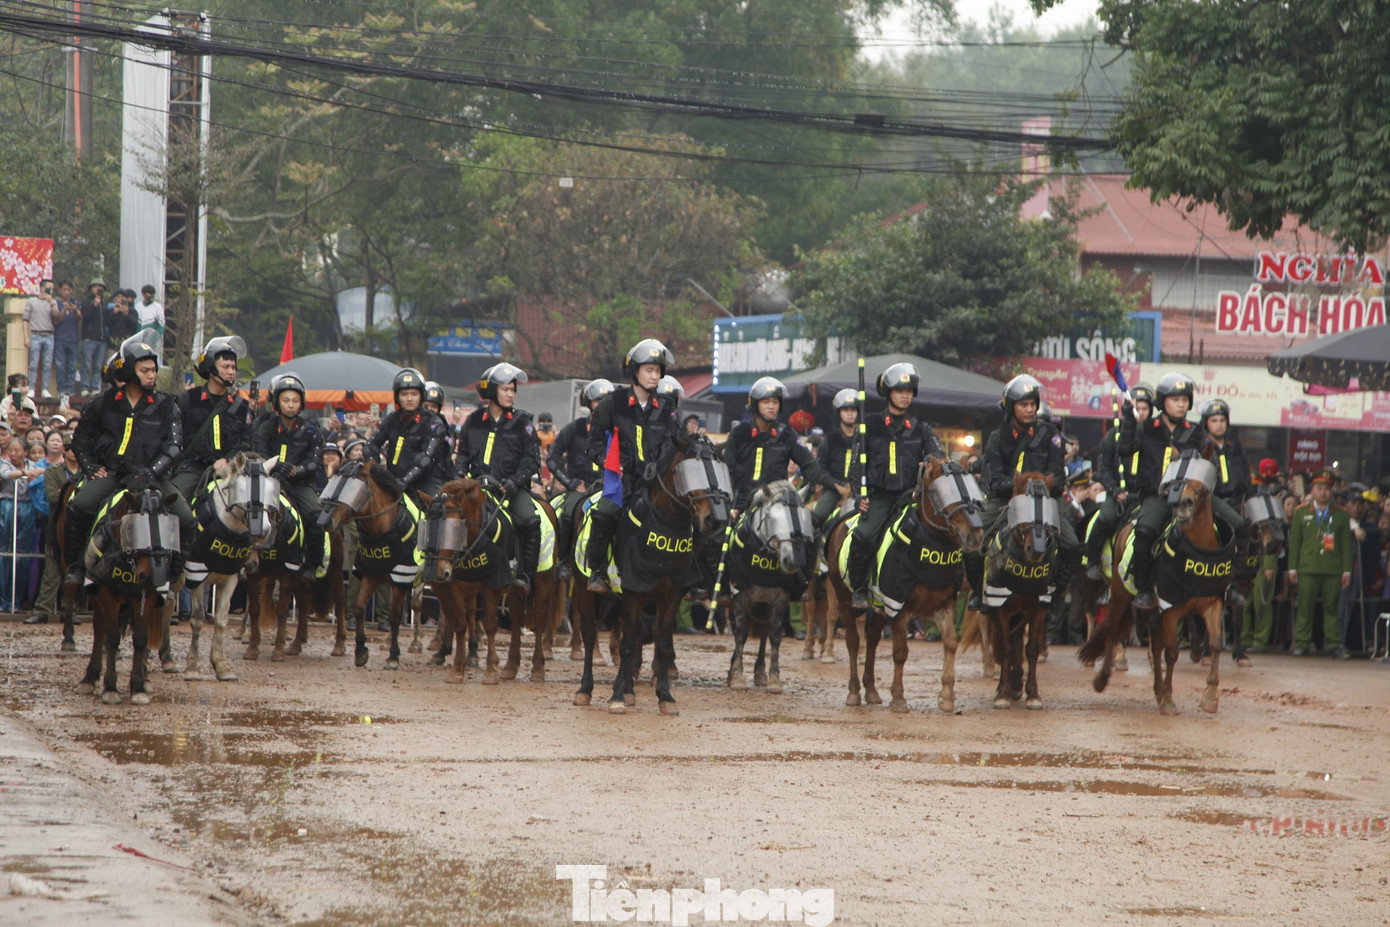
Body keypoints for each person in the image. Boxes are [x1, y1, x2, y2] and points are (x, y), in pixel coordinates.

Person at [65, 333, 195, 585]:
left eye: (154, 370)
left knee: (188, 521)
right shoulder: (102, 402)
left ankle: (174, 575)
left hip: (153, 479)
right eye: (144, 369)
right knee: (77, 507)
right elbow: (81, 440)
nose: (152, 375)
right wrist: (91, 467)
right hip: (113, 475)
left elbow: (174, 446)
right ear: (129, 371)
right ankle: (76, 567)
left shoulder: (168, 404)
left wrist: (152, 472)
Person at [1120, 372, 1247, 610]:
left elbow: (1208, 465)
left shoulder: (1197, 431)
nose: (1181, 404)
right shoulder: (1146, 428)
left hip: (1194, 499)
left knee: (1239, 525)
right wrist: (1129, 422)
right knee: (1145, 531)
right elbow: (1124, 450)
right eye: (1175, 399)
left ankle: (1232, 586)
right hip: (1158, 497)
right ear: (1162, 402)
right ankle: (1144, 589)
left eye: (1185, 399)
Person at [966, 374, 1077, 611]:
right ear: (1010, 407)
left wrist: (1040, 486)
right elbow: (995, 480)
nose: (1029, 409)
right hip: (1006, 501)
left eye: (1032, 404)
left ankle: (1056, 591)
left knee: (1072, 545)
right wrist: (1022, 486)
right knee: (974, 541)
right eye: (1023, 405)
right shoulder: (998, 437)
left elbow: (1058, 478)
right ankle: (977, 591)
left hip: (1045, 500)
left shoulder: (1051, 435)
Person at [582, 339, 678, 594]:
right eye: (649, 370)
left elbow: (673, 445)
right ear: (634, 371)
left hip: (656, 484)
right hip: (621, 483)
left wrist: (660, 468)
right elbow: (592, 444)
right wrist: (606, 463)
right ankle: (597, 570)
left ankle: (686, 577)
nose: (654, 376)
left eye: (658, 371)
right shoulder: (612, 403)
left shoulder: (668, 407)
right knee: (603, 514)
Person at [847, 362, 945, 609]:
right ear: (888, 393)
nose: (905, 395)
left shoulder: (921, 428)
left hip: (910, 498)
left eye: (909, 391)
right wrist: (860, 495)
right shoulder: (869, 425)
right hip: (879, 498)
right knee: (862, 537)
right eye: (900, 390)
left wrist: (929, 462)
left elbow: (938, 457)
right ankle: (859, 587)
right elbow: (856, 466)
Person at [454, 362, 542, 592]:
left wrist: (513, 483)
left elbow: (532, 461)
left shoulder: (523, 422)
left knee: (531, 522)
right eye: (506, 389)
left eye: (513, 390)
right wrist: (460, 477)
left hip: (511, 488)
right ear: (492, 391)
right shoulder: (472, 421)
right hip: (476, 487)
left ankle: (524, 575)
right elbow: (462, 455)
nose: (511, 394)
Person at [252, 373, 326, 575]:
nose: (291, 405)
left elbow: (316, 459)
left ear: (301, 403)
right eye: (286, 400)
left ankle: (313, 564)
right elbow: (260, 454)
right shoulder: (265, 426)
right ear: (277, 403)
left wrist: (299, 470)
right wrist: (277, 467)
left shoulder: (312, 428)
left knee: (316, 516)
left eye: (295, 401)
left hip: (301, 484)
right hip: (270, 482)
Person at [172, 336, 254, 504]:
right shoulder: (189, 399)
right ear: (210, 369)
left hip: (230, 468)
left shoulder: (241, 406)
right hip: (193, 468)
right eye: (225, 367)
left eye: (233, 367)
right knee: (173, 502)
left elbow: (246, 443)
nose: (231, 371)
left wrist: (228, 459)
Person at [1084, 383, 1153, 578]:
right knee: (1104, 518)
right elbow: (1104, 469)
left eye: (1144, 409)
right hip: (1119, 495)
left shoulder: (1157, 437)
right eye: (1135, 408)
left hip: (1146, 496)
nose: (1140, 413)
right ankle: (1092, 560)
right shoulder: (1113, 436)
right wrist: (1115, 490)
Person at [551, 378, 613, 579]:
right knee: (568, 514)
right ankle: (563, 560)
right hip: (580, 488)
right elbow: (553, 457)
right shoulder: (575, 428)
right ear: (589, 403)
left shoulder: (616, 431)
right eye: (598, 400)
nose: (603, 405)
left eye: (607, 400)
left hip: (608, 489)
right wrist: (569, 482)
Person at [1288, 468, 1354, 657]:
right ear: (1313, 491)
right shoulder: (1301, 513)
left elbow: (1346, 546)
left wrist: (1347, 571)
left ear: (1331, 491)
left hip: (1332, 568)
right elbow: (1295, 543)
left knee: (1331, 607)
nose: (1323, 492)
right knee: (1304, 607)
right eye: (1319, 488)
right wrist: (1292, 567)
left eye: (1326, 488)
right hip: (1307, 567)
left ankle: (1333, 644)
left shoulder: (1340, 514)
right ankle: (1301, 643)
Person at [24, 437, 81, 625]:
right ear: (65, 450)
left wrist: (64, 491)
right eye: (71, 448)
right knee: (51, 571)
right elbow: (52, 496)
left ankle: (69, 610)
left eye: (77, 448)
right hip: (57, 527)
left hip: (78, 528)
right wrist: (76, 493)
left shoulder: (87, 472)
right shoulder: (53, 471)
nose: (74, 452)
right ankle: (42, 611)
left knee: (74, 572)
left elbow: (67, 495)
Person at [368, 368, 450, 498]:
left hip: (424, 482)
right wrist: (376, 472)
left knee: (438, 510)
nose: (409, 399)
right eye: (404, 394)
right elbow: (371, 445)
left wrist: (405, 481)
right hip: (393, 480)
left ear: (421, 396)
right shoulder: (391, 419)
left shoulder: (434, 422)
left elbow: (426, 459)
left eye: (414, 394)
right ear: (397, 397)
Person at [811, 387, 861, 530]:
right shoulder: (830, 439)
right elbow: (820, 470)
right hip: (834, 489)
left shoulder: (863, 438)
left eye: (853, 410)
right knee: (816, 517)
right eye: (846, 410)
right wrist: (838, 486)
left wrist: (854, 486)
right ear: (839, 413)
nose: (850, 414)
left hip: (860, 490)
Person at [24, 279, 58, 397]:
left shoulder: (52, 302)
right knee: (34, 363)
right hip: (36, 334)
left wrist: (51, 302)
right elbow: (25, 320)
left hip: (49, 335)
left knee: (47, 364)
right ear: (42, 288)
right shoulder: (32, 301)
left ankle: (45, 389)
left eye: (52, 289)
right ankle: (32, 388)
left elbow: (56, 315)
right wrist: (26, 337)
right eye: (49, 288)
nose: (51, 291)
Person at [78, 278, 108, 397]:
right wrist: (94, 305)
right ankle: (85, 387)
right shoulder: (86, 302)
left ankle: (96, 388)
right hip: (89, 338)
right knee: (86, 364)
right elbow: (86, 316)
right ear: (91, 289)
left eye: (100, 288)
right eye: (95, 287)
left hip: (101, 340)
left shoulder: (104, 304)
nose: (98, 290)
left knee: (97, 366)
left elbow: (107, 321)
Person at [136, 285, 165, 358]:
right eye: (148, 293)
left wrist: (153, 336)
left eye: (152, 294)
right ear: (143, 294)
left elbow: (161, 325)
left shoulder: (157, 307)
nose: (150, 296)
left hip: (151, 340)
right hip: (138, 339)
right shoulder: (137, 306)